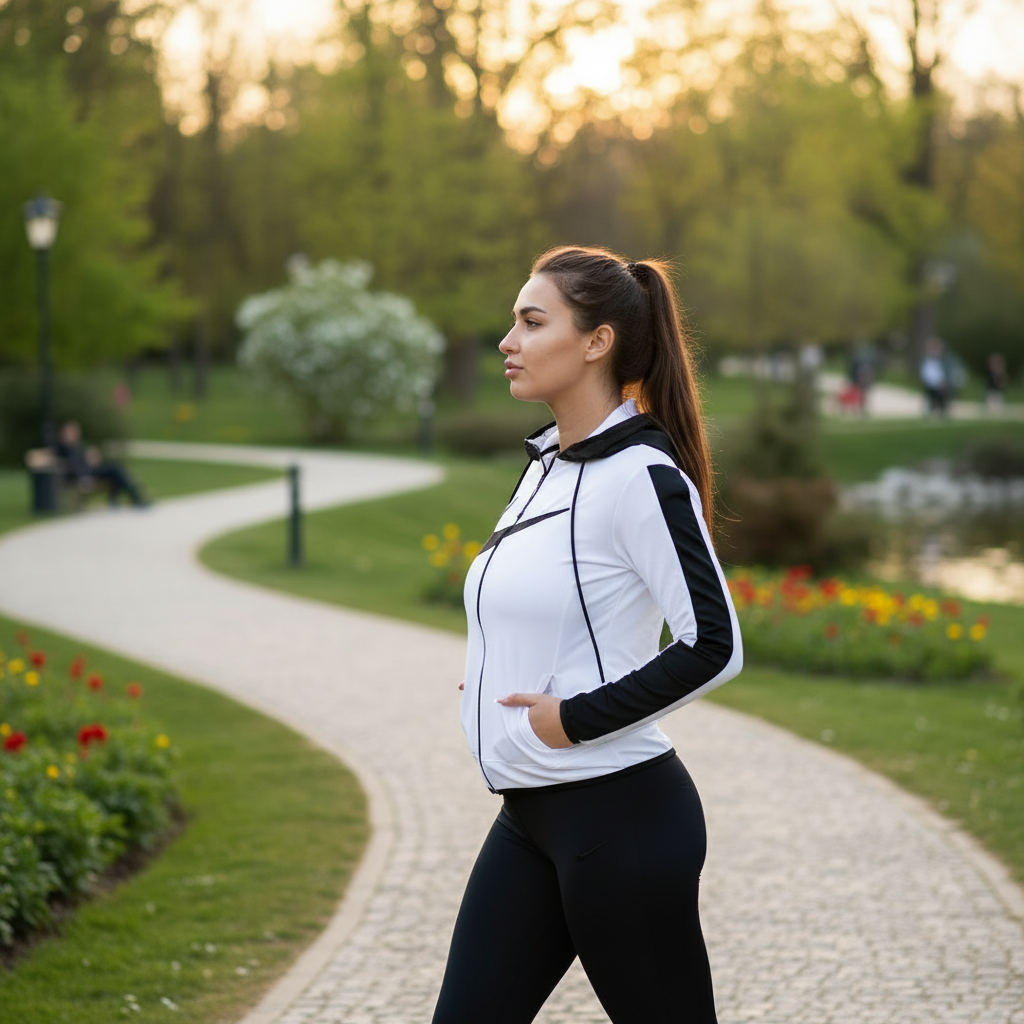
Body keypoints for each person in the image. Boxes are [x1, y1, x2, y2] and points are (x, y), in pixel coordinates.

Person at [432, 247, 743, 1024]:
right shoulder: (548, 464)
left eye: (532, 322)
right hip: (531, 817)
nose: (507, 341)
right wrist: (499, 668)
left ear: (597, 341)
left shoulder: (639, 476)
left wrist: (572, 718)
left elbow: (714, 644)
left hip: (619, 818)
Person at [54, 420, 148, 507]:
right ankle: (132, 497)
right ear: (63, 433)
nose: (73, 434)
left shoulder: (76, 445)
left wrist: (91, 456)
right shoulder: (62, 447)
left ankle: (124, 498)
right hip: (82, 475)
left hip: (90, 470)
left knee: (116, 470)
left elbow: (87, 456)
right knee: (115, 470)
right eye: (70, 431)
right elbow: (68, 461)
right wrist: (86, 459)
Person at [920, 337, 949, 416]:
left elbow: (942, 372)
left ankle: (942, 413)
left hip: (939, 383)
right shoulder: (927, 360)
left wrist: (942, 381)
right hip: (930, 383)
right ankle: (931, 412)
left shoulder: (942, 361)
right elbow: (926, 372)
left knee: (941, 399)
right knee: (931, 399)